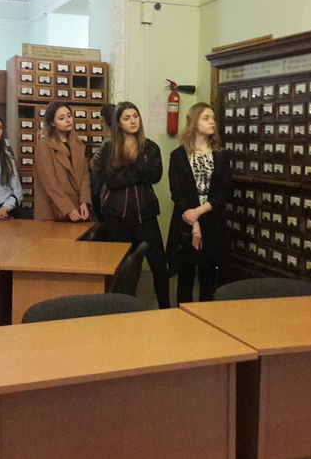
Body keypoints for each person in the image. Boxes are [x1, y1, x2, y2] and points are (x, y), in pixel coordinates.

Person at [94, 101, 169, 309]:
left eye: (135, 116)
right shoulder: (109, 147)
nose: (133, 121)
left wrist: (130, 169)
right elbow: (111, 181)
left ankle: (166, 308)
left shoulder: (150, 147)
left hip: (145, 214)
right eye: (127, 118)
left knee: (159, 265)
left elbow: (155, 176)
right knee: (121, 268)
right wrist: (138, 170)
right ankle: (121, 309)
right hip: (117, 215)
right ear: (118, 123)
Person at [166, 103, 231, 304]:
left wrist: (199, 212)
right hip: (186, 224)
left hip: (213, 222)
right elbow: (177, 193)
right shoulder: (178, 156)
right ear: (194, 122)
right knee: (185, 278)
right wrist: (194, 223)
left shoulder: (221, 155)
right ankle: (182, 319)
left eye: (213, 118)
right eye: (206, 118)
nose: (212, 122)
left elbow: (224, 192)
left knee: (209, 279)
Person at [33, 101, 91, 222]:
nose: (67, 120)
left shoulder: (78, 145)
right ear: (52, 123)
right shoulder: (44, 145)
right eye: (61, 118)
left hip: (77, 208)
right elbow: (49, 182)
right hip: (53, 210)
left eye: (69, 116)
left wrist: (84, 201)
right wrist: (68, 208)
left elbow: (85, 176)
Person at [89, 102, 115, 221]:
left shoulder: (108, 143)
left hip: (101, 192)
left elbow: (95, 167)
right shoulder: (121, 142)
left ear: (101, 120)